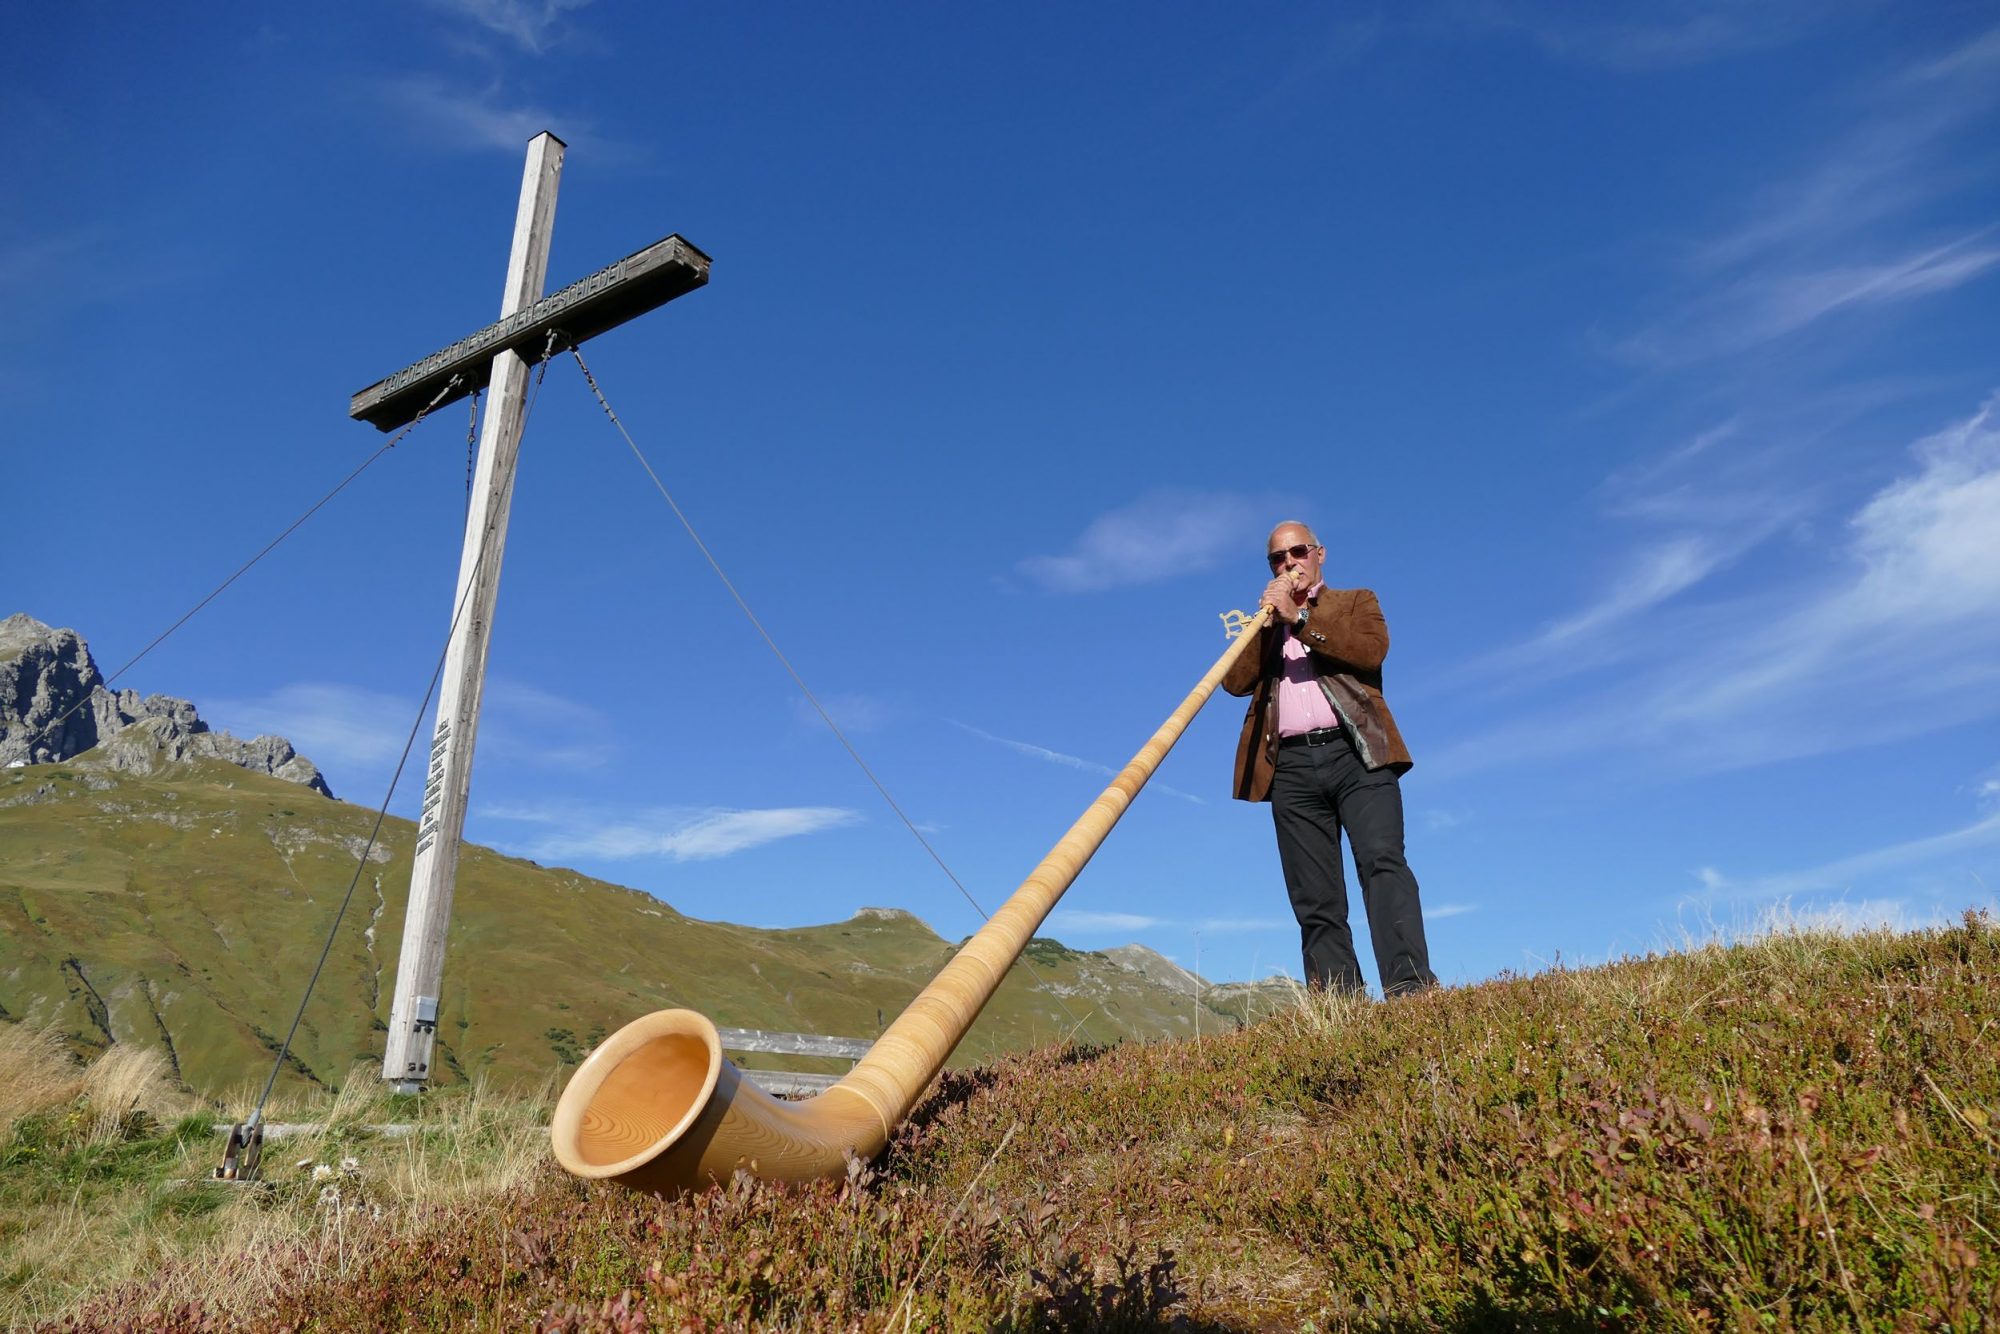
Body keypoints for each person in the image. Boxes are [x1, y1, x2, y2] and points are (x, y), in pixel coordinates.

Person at [1221, 521, 1438, 996]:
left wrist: (1299, 618)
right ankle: (1341, 1004)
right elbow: (1233, 682)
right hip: (1290, 768)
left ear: (1319, 554)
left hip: (1357, 752)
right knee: (1314, 895)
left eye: (1296, 552)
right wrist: (1266, 623)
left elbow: (1369, 651)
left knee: (1383, 863)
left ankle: (1411, 988)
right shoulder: (1261, 621)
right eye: (1277, 558)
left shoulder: (1356, 601)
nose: (1288, 563)